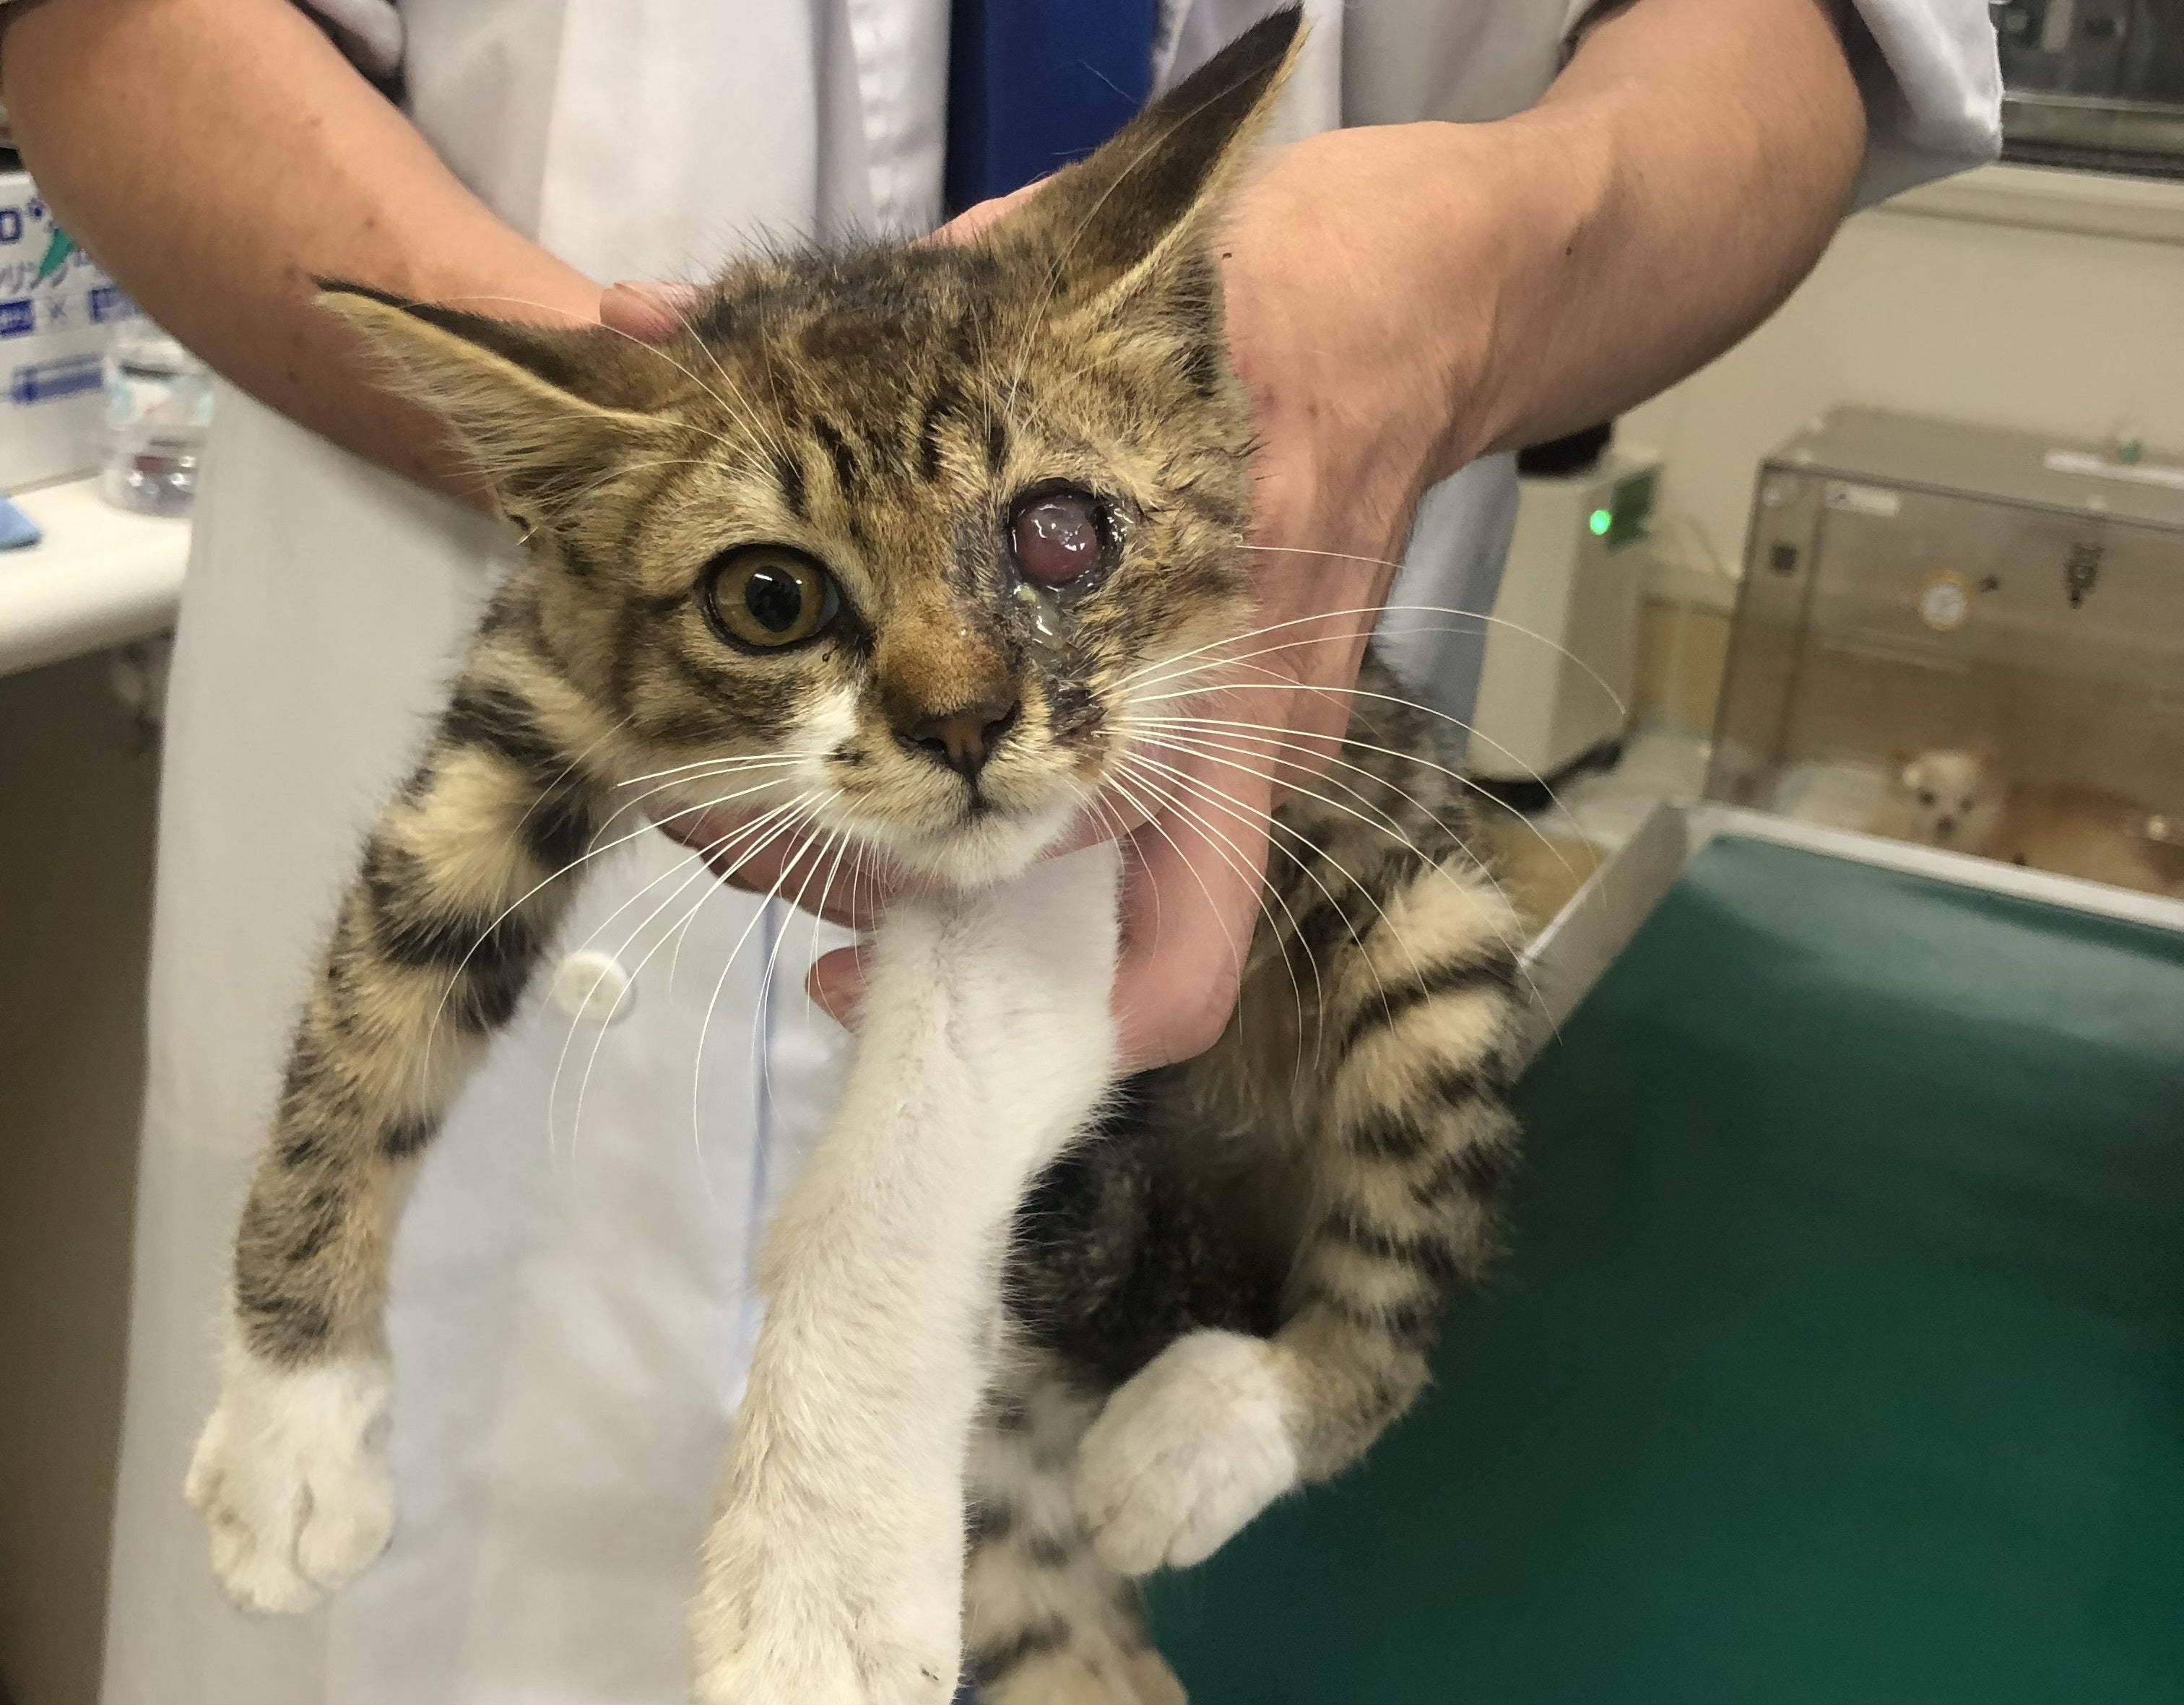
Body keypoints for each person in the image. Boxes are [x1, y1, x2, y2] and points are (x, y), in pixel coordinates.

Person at [5, 0, 1998, 1699]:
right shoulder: (620, 570)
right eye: (784, 597)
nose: (956, 703)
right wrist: (638, 454)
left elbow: (1826, 46)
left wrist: (1488, 267)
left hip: (1220, 983)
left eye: (1047, 545)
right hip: (519, 666)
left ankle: (1299, 1391)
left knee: (1124, 1362)